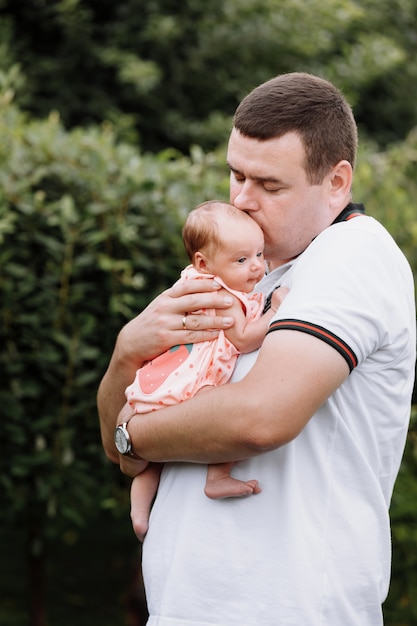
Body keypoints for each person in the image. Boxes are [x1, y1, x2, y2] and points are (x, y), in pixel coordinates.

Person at [98, 72, 416, 625]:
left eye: (268, 185)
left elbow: (258, 419)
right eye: (235, 175)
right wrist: (126, 353)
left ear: (337, 181)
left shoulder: (353, 255)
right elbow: (116, 447)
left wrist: (135, 433)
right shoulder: (243, 273)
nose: (242, 201)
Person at [121, 200, 288, 541]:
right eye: (242, 260)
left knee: (151, 461)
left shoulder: (201, 282)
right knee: (217, 416)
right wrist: (275, 315)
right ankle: (217, 478)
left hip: (168, 377)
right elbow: (242, 339)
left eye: (259, 254)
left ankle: (139, 512)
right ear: (204, 262)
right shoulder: (223, 295)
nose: (256, 268)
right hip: (196, 382)